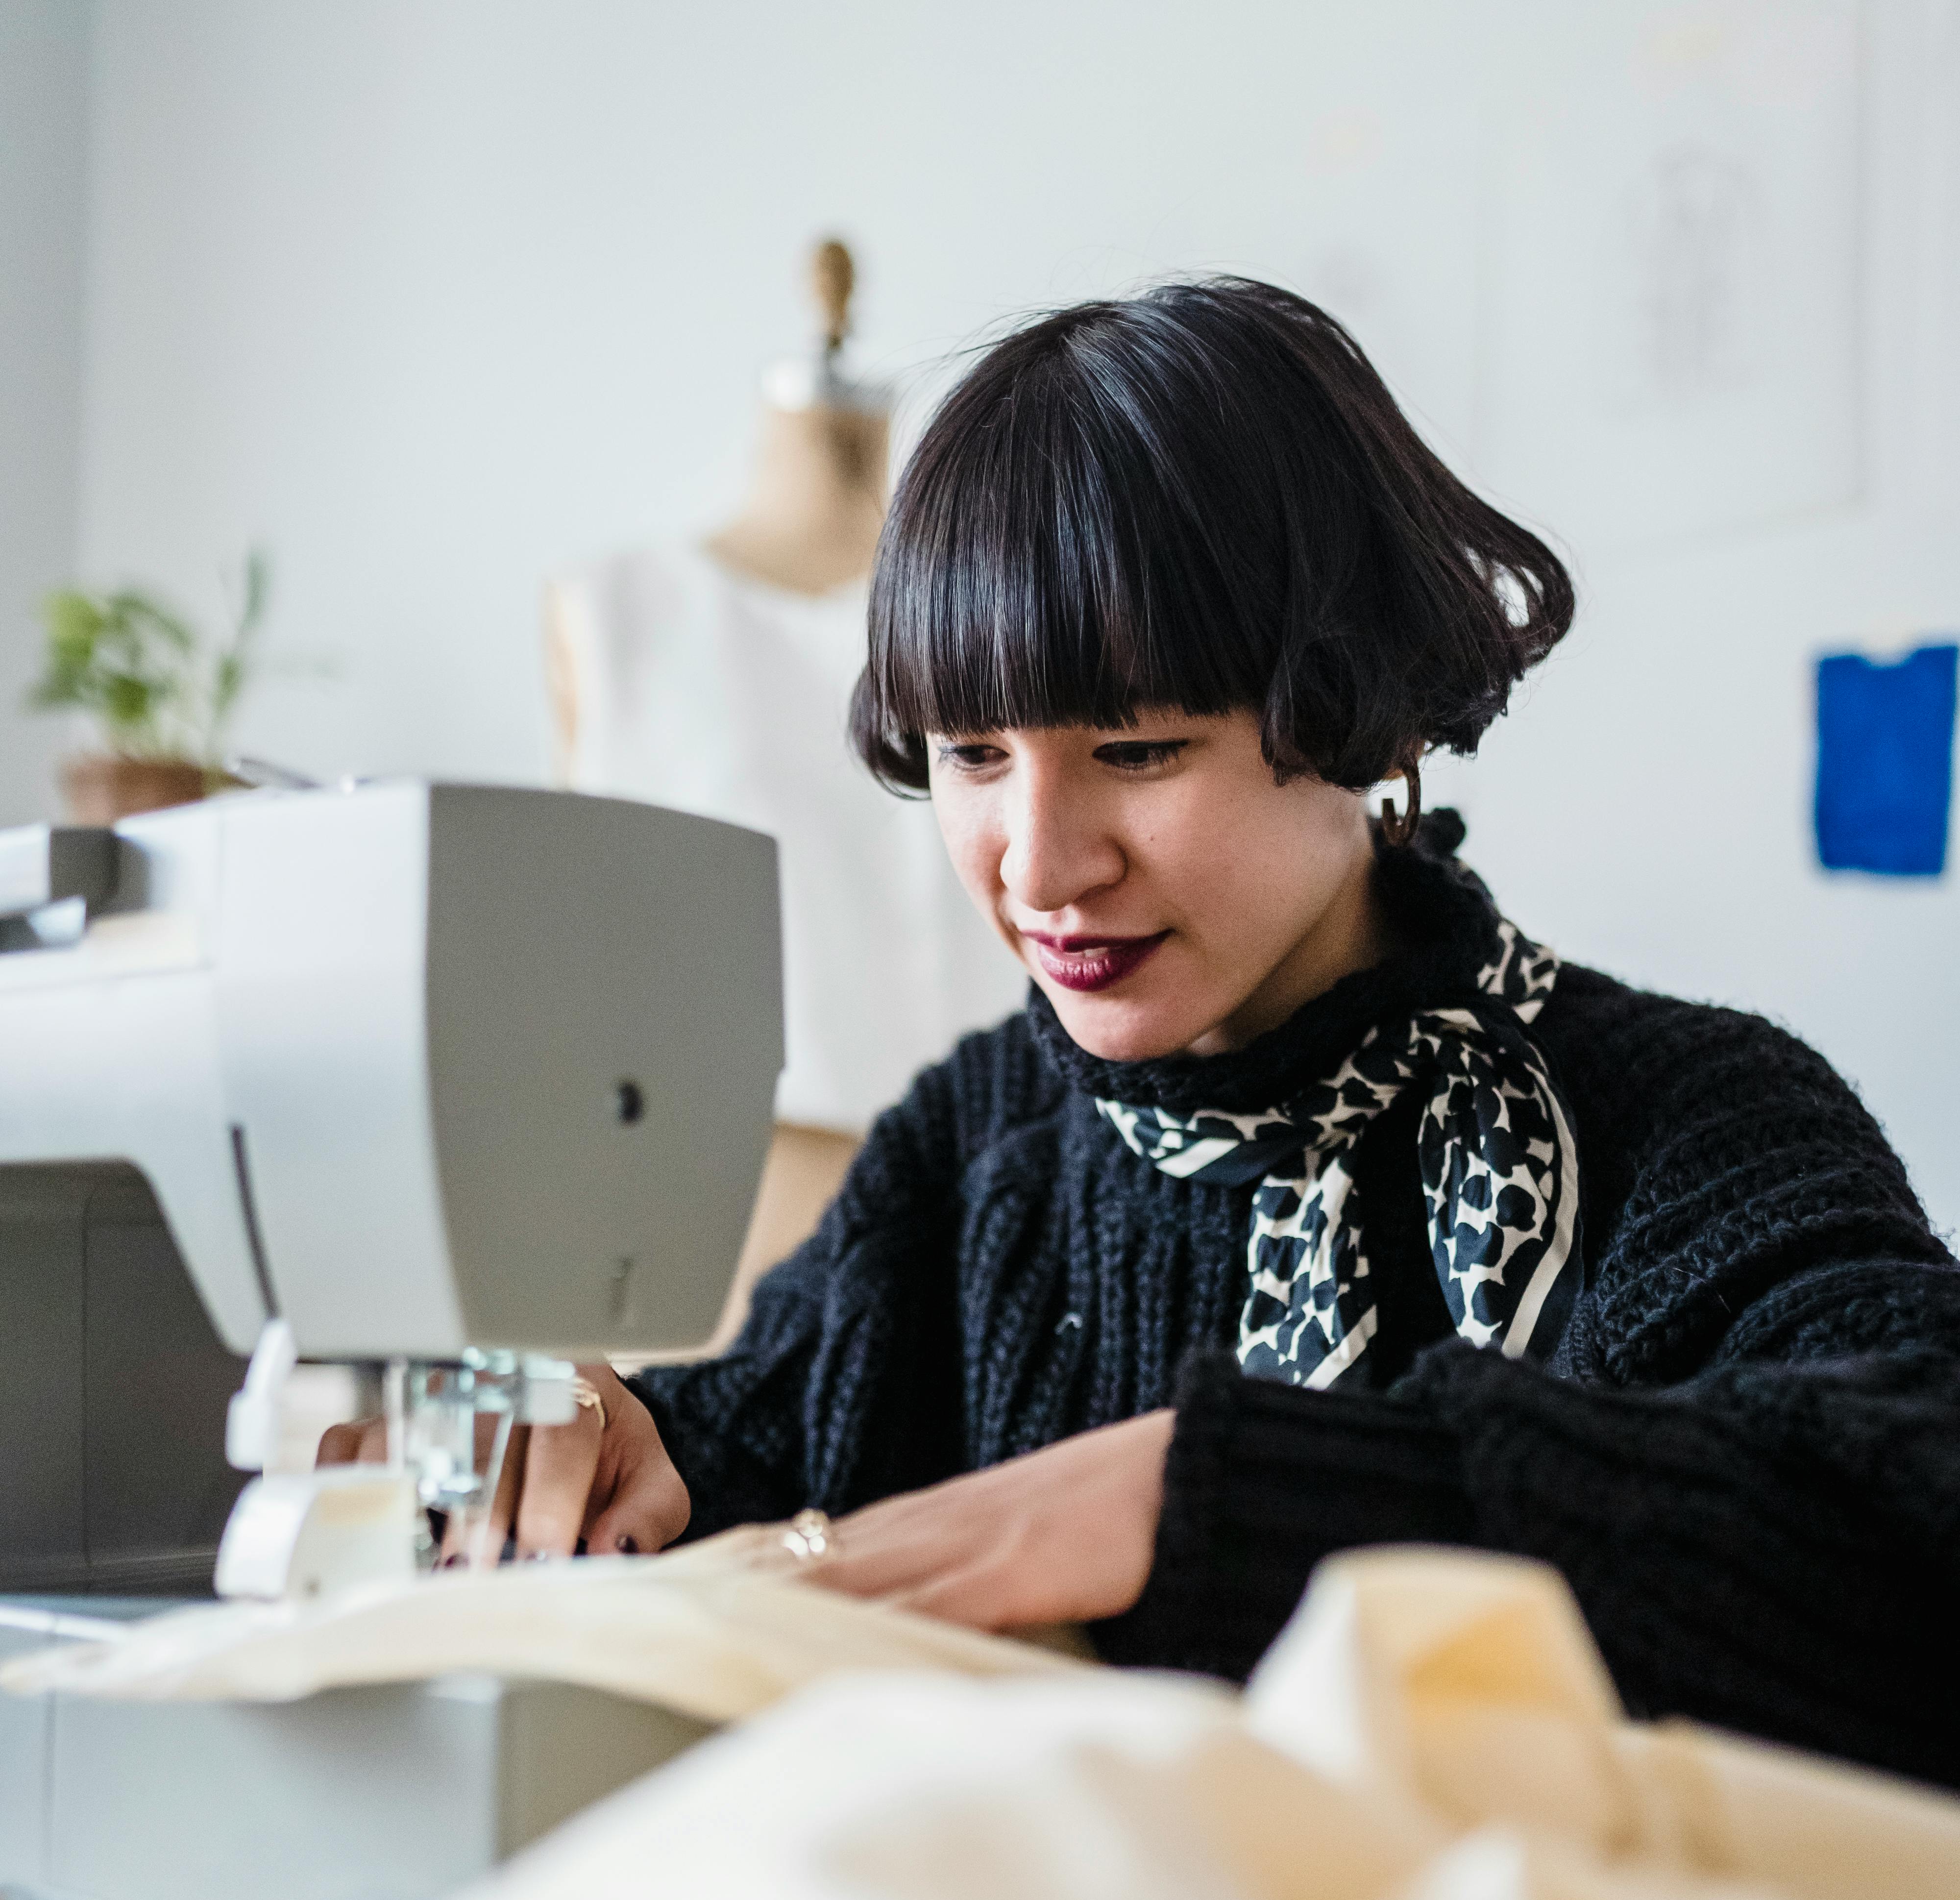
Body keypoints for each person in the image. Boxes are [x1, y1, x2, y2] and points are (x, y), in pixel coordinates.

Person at [337, 280, 1960, 1789]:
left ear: (1370, 719)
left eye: (1139, 745)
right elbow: (754, 1450)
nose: (1040, 868)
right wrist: (618, 1441)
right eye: (973, 755)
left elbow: (1916, 1521)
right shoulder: (978, 1145)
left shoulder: (1682, 1115)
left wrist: (1226, 1494)